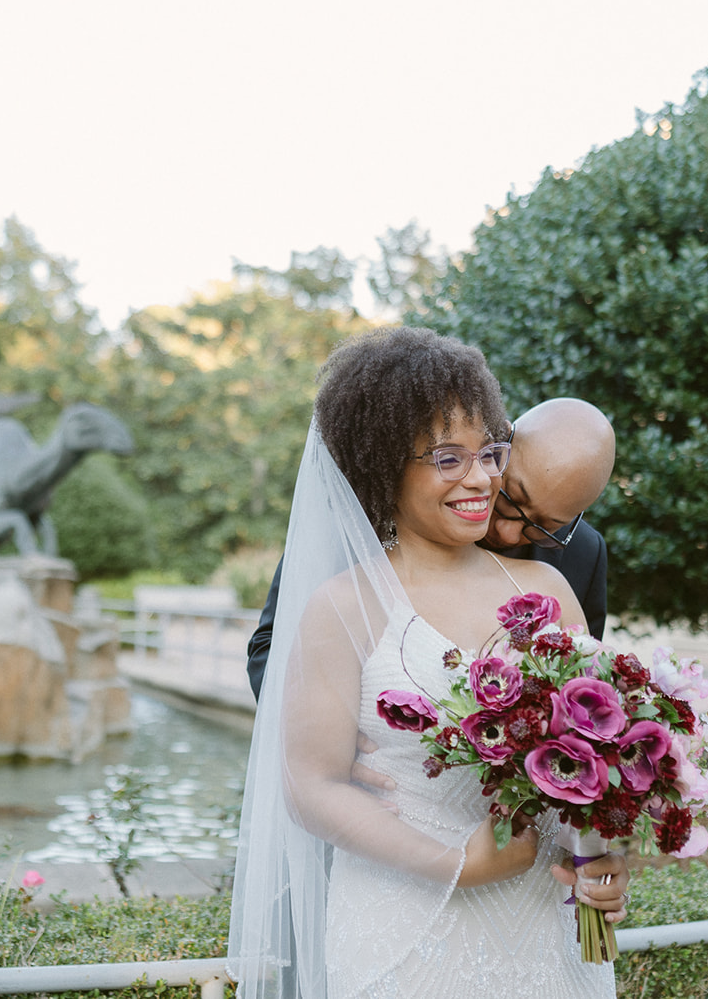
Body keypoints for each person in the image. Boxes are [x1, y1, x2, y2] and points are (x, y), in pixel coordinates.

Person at [228, 327, 619, 999]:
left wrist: (601, 856)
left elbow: (586, 744)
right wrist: (341, 747)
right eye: (450, 459)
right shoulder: (343, 577)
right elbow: (301, 748)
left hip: (539, 924)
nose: (492, 497)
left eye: (487, 457)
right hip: (403, 895)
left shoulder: (559, 579)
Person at [246, 398, 616, 699]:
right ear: (497, 444)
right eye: (510, 499)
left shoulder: (582, 555)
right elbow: (268, 647)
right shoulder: (369, 510)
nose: (506, 531)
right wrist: (336, 743)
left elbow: (579, 696)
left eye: (542, 529)